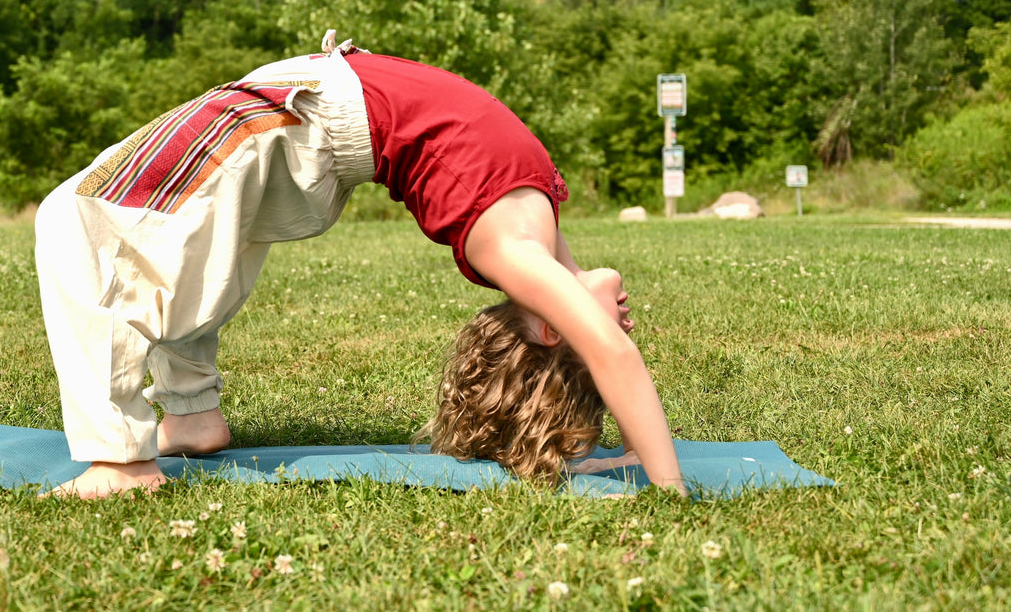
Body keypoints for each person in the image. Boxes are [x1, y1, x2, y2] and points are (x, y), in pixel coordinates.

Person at [35, 32, 684, 498]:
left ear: (551, 328)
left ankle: (121, 465)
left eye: (610, 327)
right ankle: (191, 415)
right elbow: (606, 353)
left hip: (296, 116)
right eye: (623, 325)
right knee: (192, 248)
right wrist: (631, 451)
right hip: (307, 126)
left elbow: (612, 358)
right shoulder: (538, 240)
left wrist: (668, 488)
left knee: (79, 215)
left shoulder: (513, 252)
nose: (625, 323)